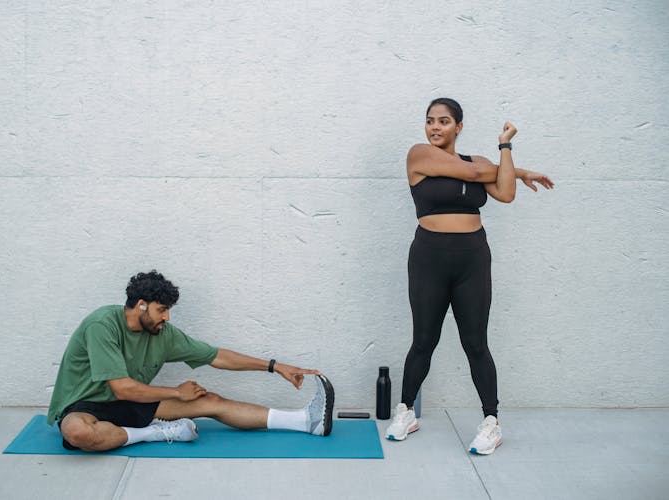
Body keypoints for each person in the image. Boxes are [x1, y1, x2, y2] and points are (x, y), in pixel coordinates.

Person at [385, 98, 554, 454]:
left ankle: (491, 422)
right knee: (424, 340)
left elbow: (505, 193)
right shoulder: (419, 155)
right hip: (429, 256)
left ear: (458, 127)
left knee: (475, 342)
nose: (435, 127)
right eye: (430, 121)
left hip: (472, 258)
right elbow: (481, 175)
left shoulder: (479, 161)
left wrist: (506, 149)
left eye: (444, 121)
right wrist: (514, 169)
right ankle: (405, 411)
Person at [47, 270, 334, 451]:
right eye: (162, 310)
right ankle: (152, 433)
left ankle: (304, 421)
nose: (167, 318)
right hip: (82, 405)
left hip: (128, 405)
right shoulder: (103, 325)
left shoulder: (163, 334)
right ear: (141, 305)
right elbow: (122, 387)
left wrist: (275, 366)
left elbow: (217, 356)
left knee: (212, 401)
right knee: (77, 432)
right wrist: (176, 392)